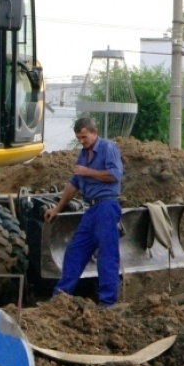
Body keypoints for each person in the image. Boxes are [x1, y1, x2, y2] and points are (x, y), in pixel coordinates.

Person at [43, 117, 124, 306]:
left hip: (106, 206)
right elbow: (73, 184)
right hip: (91, 209)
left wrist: (88, 172)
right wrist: (57, 208)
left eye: (84, 137)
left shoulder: (108, 148)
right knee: (75, 251)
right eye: (78, 137)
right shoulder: (83, 154)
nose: (81, 141)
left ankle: (107, 303)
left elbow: (115, 175)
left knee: (107, 255)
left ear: (94, 132)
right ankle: (60, 299)